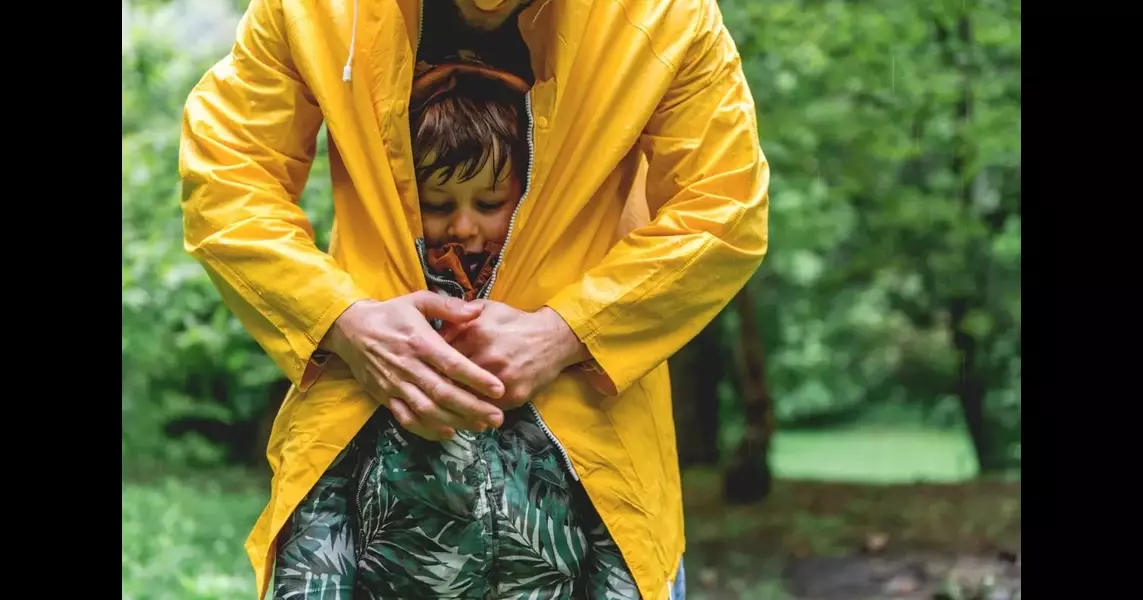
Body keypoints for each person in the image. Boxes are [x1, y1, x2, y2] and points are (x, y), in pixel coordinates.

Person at [179, 0, 770, 598]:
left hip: (595, 453)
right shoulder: (315, 9)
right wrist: (343, 320)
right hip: (365, 431)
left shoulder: (666, 14)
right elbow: (229, 174)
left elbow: (724, 209)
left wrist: (566, 333)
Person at [272, 62, 642, 599]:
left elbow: (613, 499)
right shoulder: (378, 334)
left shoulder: (557, 336)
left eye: (490, 204)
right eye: (439, 205)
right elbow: (322, 493)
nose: (464, 227)